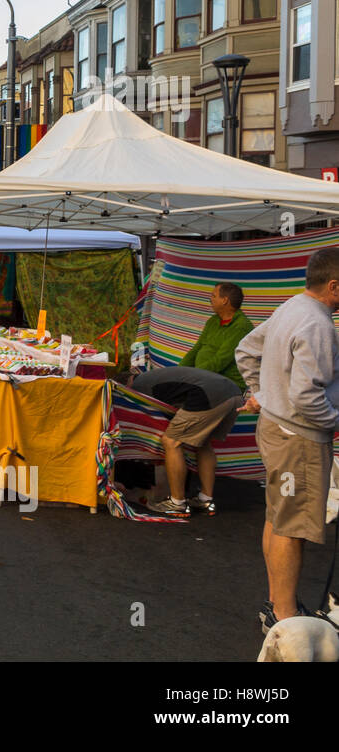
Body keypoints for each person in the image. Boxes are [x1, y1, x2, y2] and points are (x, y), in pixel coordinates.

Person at [235, 247, 339, 632]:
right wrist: (334, 421)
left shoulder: (292, 307)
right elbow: (307, 396)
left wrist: (261, 395)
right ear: (334, 286)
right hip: (299, 437)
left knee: (279, 518)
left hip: (277, 429)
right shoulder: (318, 325)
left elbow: (246, 350)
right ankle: (283, 618)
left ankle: (278, 606)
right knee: (291, 527)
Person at [130, 367, 245, 517]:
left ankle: (177, 503)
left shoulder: (138, 387)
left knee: (171, 442)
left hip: (208, 395)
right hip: (234, 393)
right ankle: (205, 500)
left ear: (127, 384)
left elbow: (156, 417)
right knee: (204, 443)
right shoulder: (154, 376)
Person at [178, 282, 254, 387]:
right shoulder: (213, 321)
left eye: (214, 296)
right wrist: (178, 371)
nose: (210, 299)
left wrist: (191, 375)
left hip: (226, 384)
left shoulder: (241, 326)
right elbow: (196, 349)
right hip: (202, 377)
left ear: (224, 300)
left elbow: (220, 361)